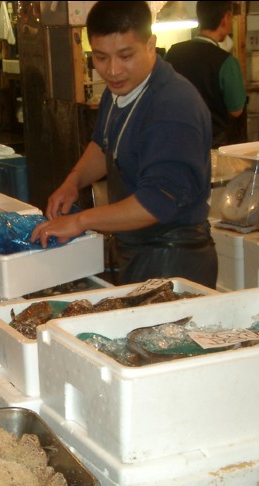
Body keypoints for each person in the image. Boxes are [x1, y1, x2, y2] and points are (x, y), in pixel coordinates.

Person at [31, 1, 217, 289]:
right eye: (101, 58)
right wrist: (73, 181)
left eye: (125, 55)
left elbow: (155, 203)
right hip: (138, 250)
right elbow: (104, 143)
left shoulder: (173, 107)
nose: (113, 70)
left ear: (150, 45)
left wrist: (80, 221)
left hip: (174, 260)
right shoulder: (121, 91)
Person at [164, 1, 247, 148]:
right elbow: (236, 110)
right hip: (212, 142)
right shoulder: (226, 61)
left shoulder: (173, 53)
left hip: (175, 137)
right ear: (225, 18)